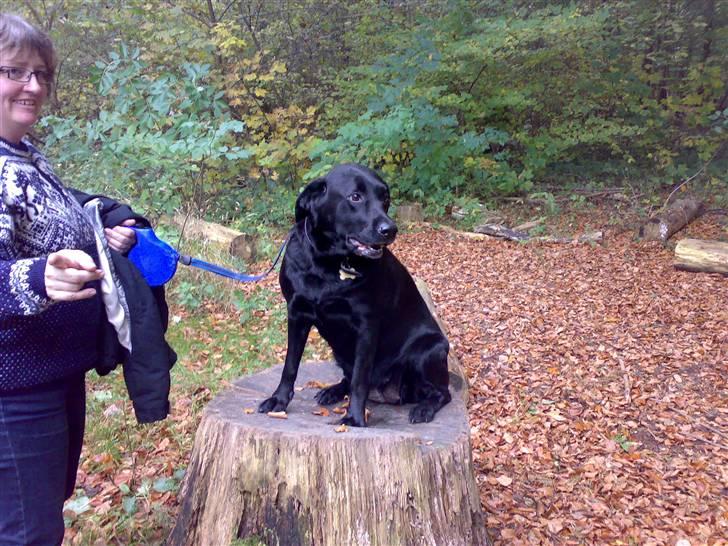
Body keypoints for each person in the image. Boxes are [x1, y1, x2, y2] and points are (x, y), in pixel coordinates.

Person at [0, 13, 173, 545]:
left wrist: (101, 227)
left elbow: (57, 216)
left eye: (41, 74)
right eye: (15, 71)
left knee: (37, 515)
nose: (33, 86)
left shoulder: (24, 158)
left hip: (50, 376)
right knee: (28, 532)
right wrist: (34, 277)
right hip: (13, 393)